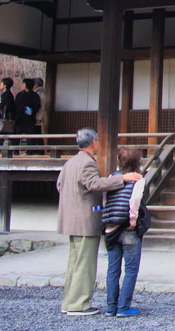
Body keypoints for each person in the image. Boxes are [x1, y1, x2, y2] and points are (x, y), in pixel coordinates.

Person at [56, 128, 142, 316]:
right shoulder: (87, 163)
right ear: (93, 142)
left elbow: (60, 185)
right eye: (97, 141)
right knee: (85, 265)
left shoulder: (70, 162)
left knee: (74, 263)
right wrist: (122, 179)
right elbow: (94, 184)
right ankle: (79, 304)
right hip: (84, 220)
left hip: (71, 219)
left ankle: (69, 301)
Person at [102, 147, 147, 317]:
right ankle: (124, 307)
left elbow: (106, 199)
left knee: (113, 269)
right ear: (137, 162)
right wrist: (133, 221)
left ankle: (111, 307)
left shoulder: (112, 178)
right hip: (128, 228)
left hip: (111, 227)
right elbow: (135, 201)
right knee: (131, 269)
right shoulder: (138, 180)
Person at [14, 78, 41, 154]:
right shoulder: (19, 94)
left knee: (30, 136)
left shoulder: (34, 95)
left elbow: (37, 106)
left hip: (29, 118)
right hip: (19, 118)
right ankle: (16, 151)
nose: (22, 85)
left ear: (27, 85)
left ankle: (30, 151)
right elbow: (16, 106)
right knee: (17, 135)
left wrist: (29, 111)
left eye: (23, 84)